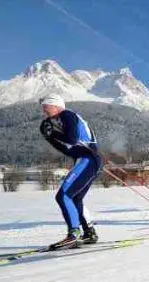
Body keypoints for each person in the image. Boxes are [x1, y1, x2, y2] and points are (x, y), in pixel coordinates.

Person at [39, 94, 102, 250]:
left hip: (87, 159)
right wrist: (49, 137)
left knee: (63, 196)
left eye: (46, 106)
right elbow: (69, 150)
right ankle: (89, 232)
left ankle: (74, 234)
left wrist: (53, 133)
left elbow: (72, 139)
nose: (44, 110)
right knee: (74, 199)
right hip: (86, 159)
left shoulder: (67, 115)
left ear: (55, 105)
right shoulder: (62, 119)